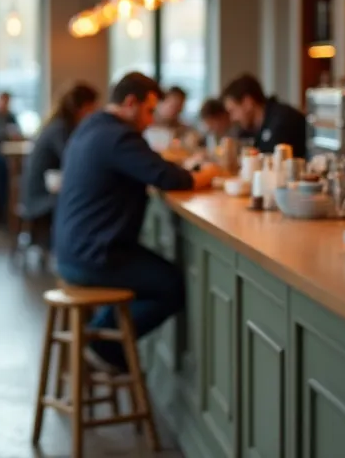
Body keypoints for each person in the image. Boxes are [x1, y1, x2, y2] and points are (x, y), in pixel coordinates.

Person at [52, 73, 220, 374]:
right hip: (95, 256)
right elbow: (168, 178)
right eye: (149, 111)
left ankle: (98, 337)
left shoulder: (93, 125)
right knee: (172, 285)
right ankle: (104, 347)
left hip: (71, 251)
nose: (151, 120)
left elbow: (151, 165)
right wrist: (205, 175)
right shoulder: (119, 136)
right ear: (131, 103)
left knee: (154, 279)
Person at [18, 83, 100, 235]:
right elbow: (76, 162)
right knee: (90, 203)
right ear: (84, 107)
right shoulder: (60, 129)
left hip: (40, 195)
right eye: (93, 108)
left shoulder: (58, 125)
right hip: (40, 201)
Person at [221, 73, 308, 157]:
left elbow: (273, 164)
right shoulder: (251, 128)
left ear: (248, 103)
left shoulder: (282, 121)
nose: (233, 118)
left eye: (233, 111)